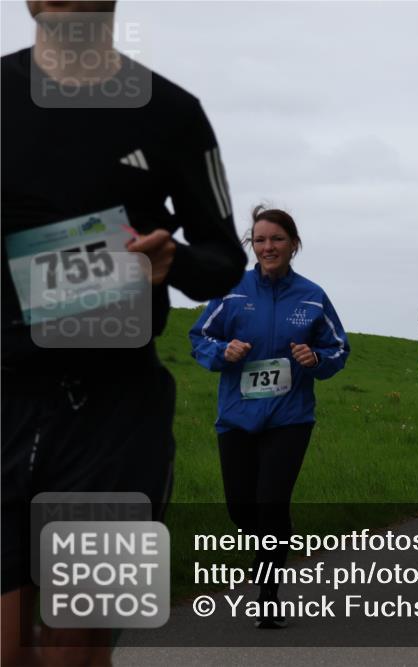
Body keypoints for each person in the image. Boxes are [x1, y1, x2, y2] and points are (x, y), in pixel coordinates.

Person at [2, 3, 246, 662]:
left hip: (115, 411)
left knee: (75, 647)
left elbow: (226, 260)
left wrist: (177, 262)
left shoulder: (171, 112)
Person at [190, 206, 349, 627]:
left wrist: (315, 358)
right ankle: (275, 539)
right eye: (260, 240)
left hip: (290, 418)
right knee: (242, 509)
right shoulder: (232, 291)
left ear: (293, 244)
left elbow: (339, 350)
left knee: (271, 502)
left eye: (276, 239)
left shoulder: (312, 296)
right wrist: (222, 352)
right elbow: (199, 336)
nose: (268, 247)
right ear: (251, 245)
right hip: (237, 418)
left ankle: (268, 596)